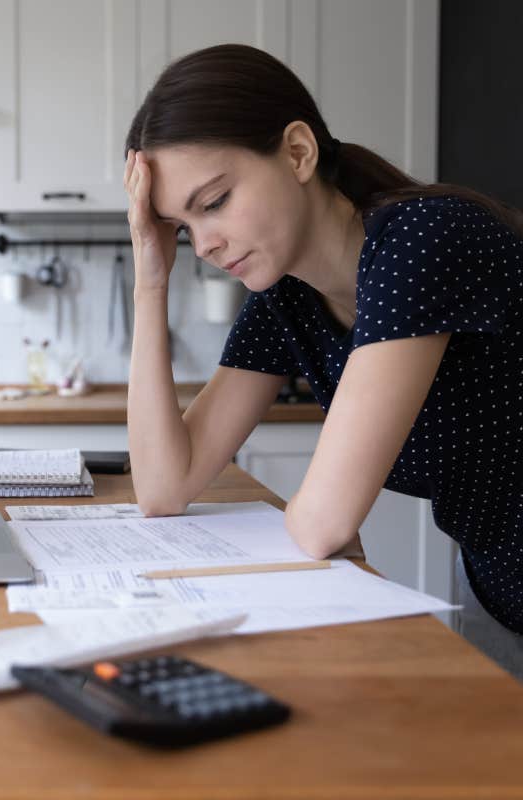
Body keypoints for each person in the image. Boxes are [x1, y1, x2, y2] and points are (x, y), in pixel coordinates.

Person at [122, 43, 523, 680]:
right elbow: (164, 488)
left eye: (216, 201)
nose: (204, 244)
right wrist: (150, 279)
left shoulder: (425, 239)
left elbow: (324, 523)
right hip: (495, 587)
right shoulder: (288, 298)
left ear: (298, 152)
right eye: (180, 227)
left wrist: (320, 519)